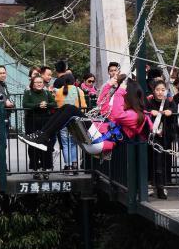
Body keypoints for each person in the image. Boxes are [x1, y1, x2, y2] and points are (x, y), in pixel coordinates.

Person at [20, 75, 153, 163]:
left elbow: (117, 114)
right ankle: (43, 136)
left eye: (124, 96)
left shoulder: (135, 115)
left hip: (99, 141)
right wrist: (108, 85)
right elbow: (103, 106)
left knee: (71, 110)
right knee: (66, 107)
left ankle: (44, 138)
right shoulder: (127, 113)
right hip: (96, 138)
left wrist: (119, 92)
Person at [146, 79, 177, 199]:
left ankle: (162, 186)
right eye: (157, 90)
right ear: (153, 91)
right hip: (153, 136)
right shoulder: (149, 101)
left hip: (166, 136)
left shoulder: (169, 102)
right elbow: (144, 110)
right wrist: (150, 112)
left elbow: (175, 109)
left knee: (165, 161)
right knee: (155, 161)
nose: (160, 92)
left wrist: (171, 111)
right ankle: (157, 186)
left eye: (163, 90)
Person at [22, 75, 56, 179]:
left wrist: (46, 104)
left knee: (46, 144)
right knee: (33, 145)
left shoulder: (46, 92)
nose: (39, 84)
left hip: (45, 121)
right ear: (32, 83)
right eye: (36, 82)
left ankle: (46, 168)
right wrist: (37, 105)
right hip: (31, 122)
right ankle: (35, 168)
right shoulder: (28, 93)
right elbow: (25, 104)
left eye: (40, 82)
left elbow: (54, 103)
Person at [54, 74, 87, 174]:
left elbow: (57, 105)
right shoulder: (79, 90)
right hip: (76, 120)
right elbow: (84, 106)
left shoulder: (59, 91)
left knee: (65, 144)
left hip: (63, 120)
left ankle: (68, 166)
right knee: (74, 144)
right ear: (74, 81)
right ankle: (74, 165)